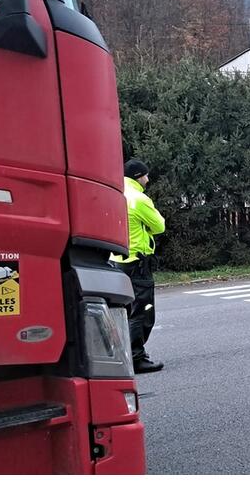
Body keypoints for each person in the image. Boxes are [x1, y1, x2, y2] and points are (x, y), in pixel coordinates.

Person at [110, 159, 166, 374]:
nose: (148, 179)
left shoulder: (116, 194)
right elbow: (159, 226)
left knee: (123, 310)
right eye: (145, 175)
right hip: (137, 262)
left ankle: (122, 354)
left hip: (118, 259)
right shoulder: (139, 199)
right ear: (137, 176)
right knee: (142, 311)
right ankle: (136, 358)